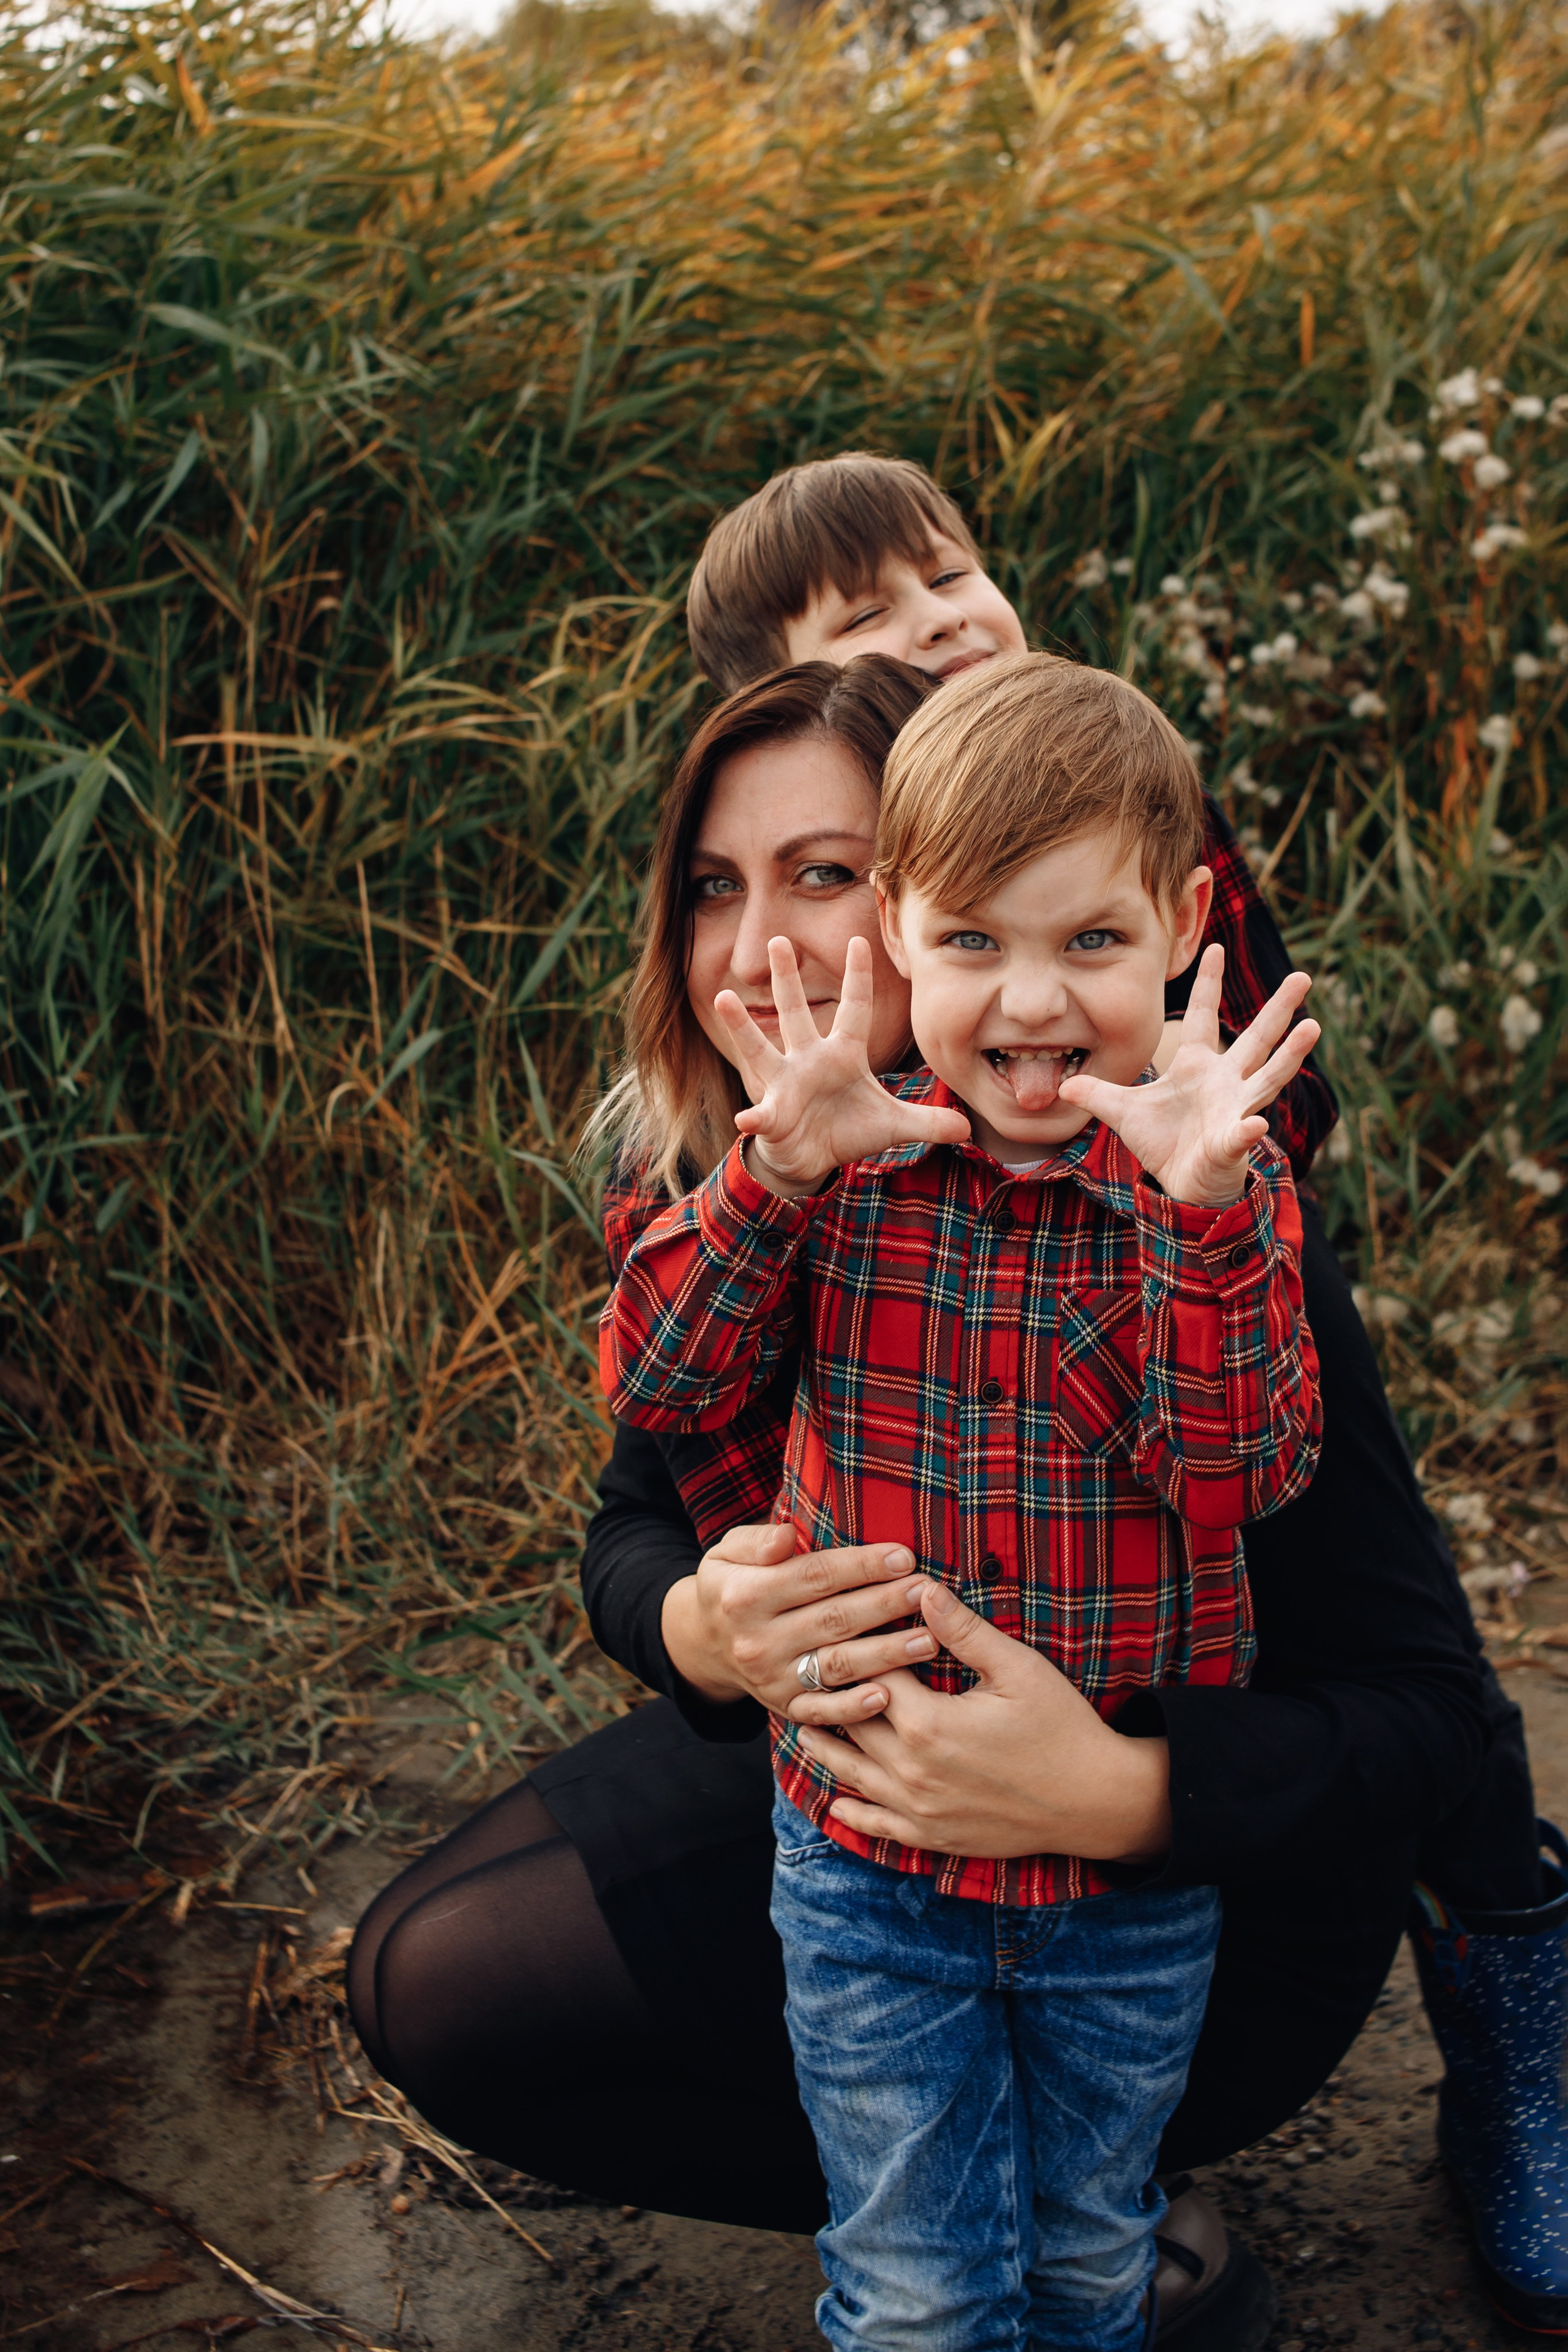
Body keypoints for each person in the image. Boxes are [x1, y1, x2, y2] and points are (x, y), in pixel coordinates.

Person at [347, 459, 1562, 2340]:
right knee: (443, 1970)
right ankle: (953, 2228)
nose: (764, 947)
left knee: (1077, 2181)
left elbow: (1418, 1709)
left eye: (829, 879)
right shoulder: (780, 1175)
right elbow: (632, 1509)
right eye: (716, 891)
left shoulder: (1177, 1190)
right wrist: (701, 1623)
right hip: (873, 1818)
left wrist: (1121, 1789)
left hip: (1193, 1857)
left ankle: (1452, 2023)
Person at [601, 651, 1327, 2351]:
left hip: (1122, 1894)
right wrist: (775, 1171)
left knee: (1089, 2269)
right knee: (916, 2288)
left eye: (1091, 943)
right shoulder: (841, 1160)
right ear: (902, 941)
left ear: (1186, 925)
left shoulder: (1216, 1181)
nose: (1028, 1005)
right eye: (973, 944)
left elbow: (1244, 1474)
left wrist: (1204, 1219)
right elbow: (659, 1388)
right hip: (864, 1870)